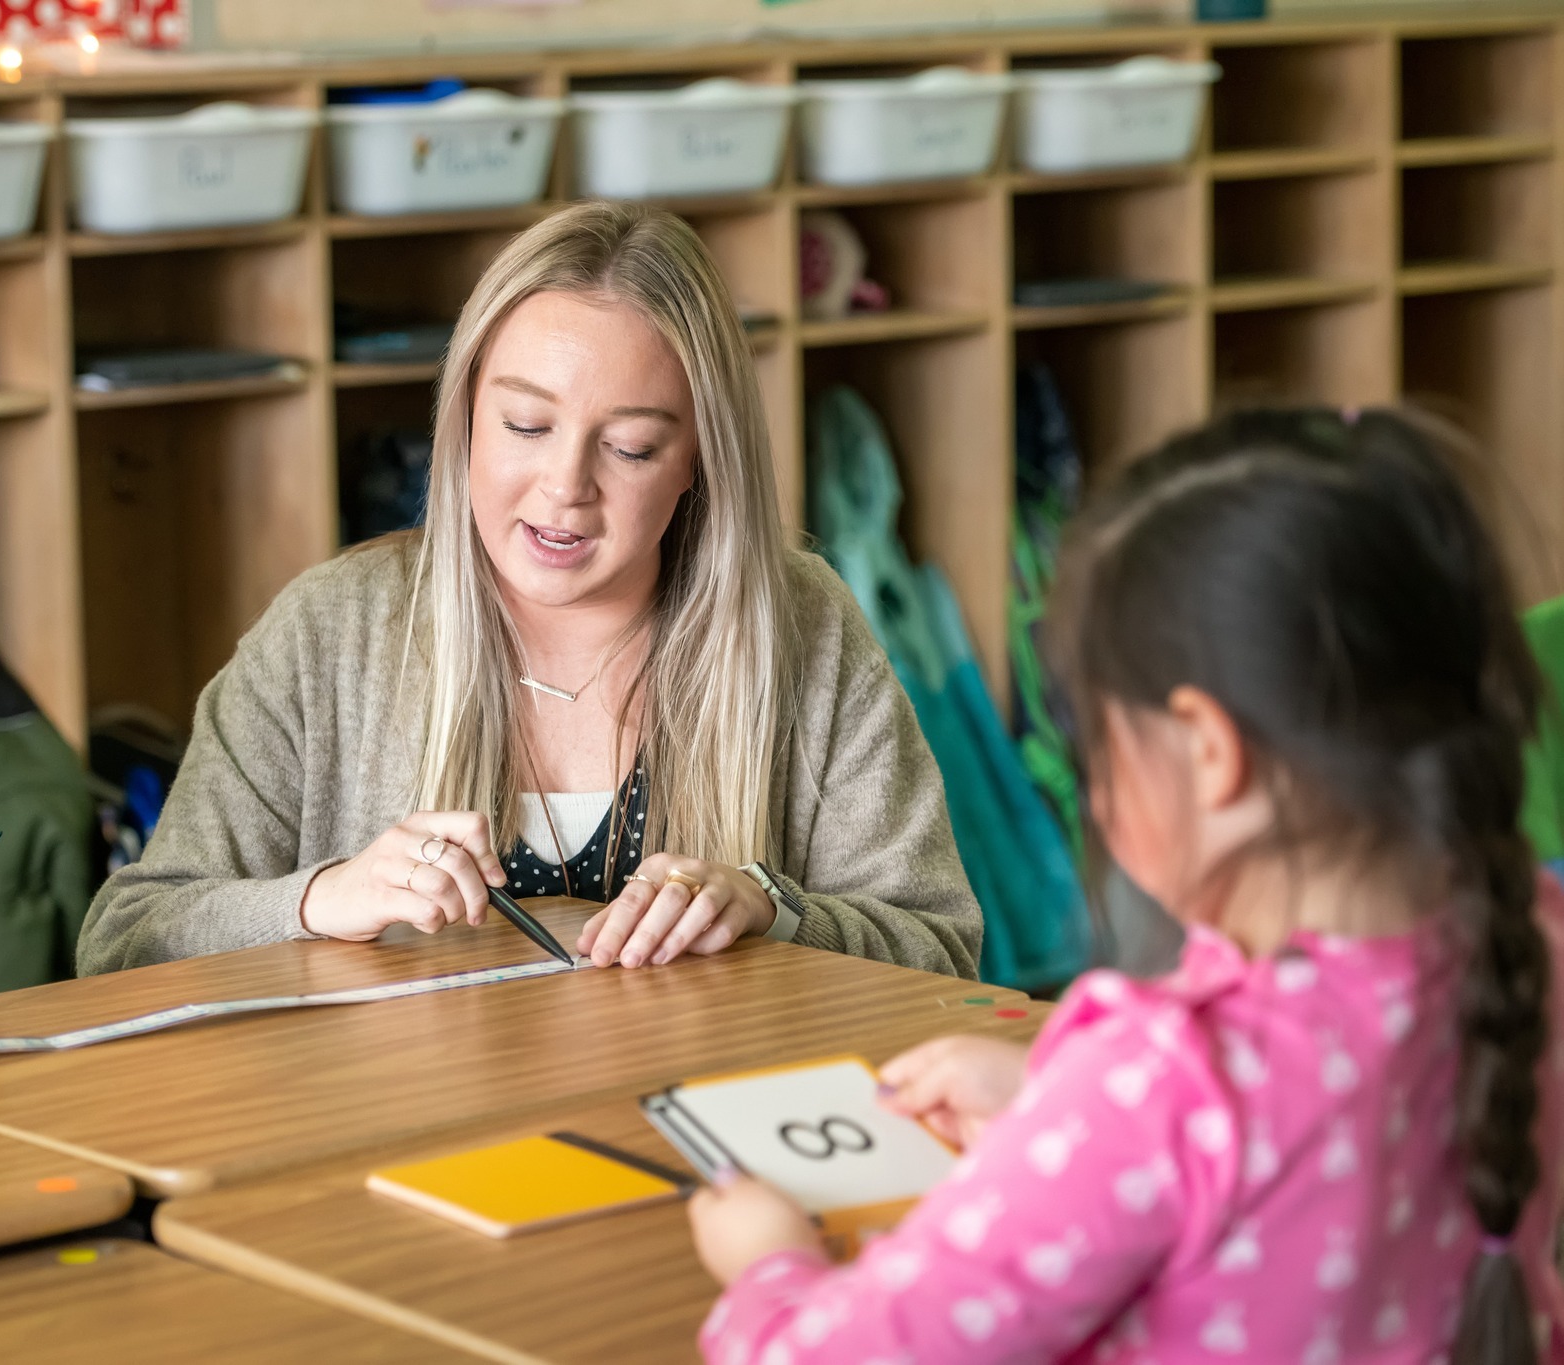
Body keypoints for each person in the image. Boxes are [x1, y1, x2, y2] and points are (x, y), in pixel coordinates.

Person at [686, 407, 1564, 1362]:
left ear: (1208, 753)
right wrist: (1058, 1095)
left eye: (1098, 736)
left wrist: (770, 1264)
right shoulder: (1529, 943)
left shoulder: (1164, 1085)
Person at [79, 201, 979, 976]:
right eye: (525, 425)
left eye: (629, 447)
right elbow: (124, 941)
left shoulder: (802, 623)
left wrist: (772, 910)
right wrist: (320, 899)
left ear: (701, 460)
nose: (565, 486)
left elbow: (942, 948)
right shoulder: (330, 631)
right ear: (464, 417)